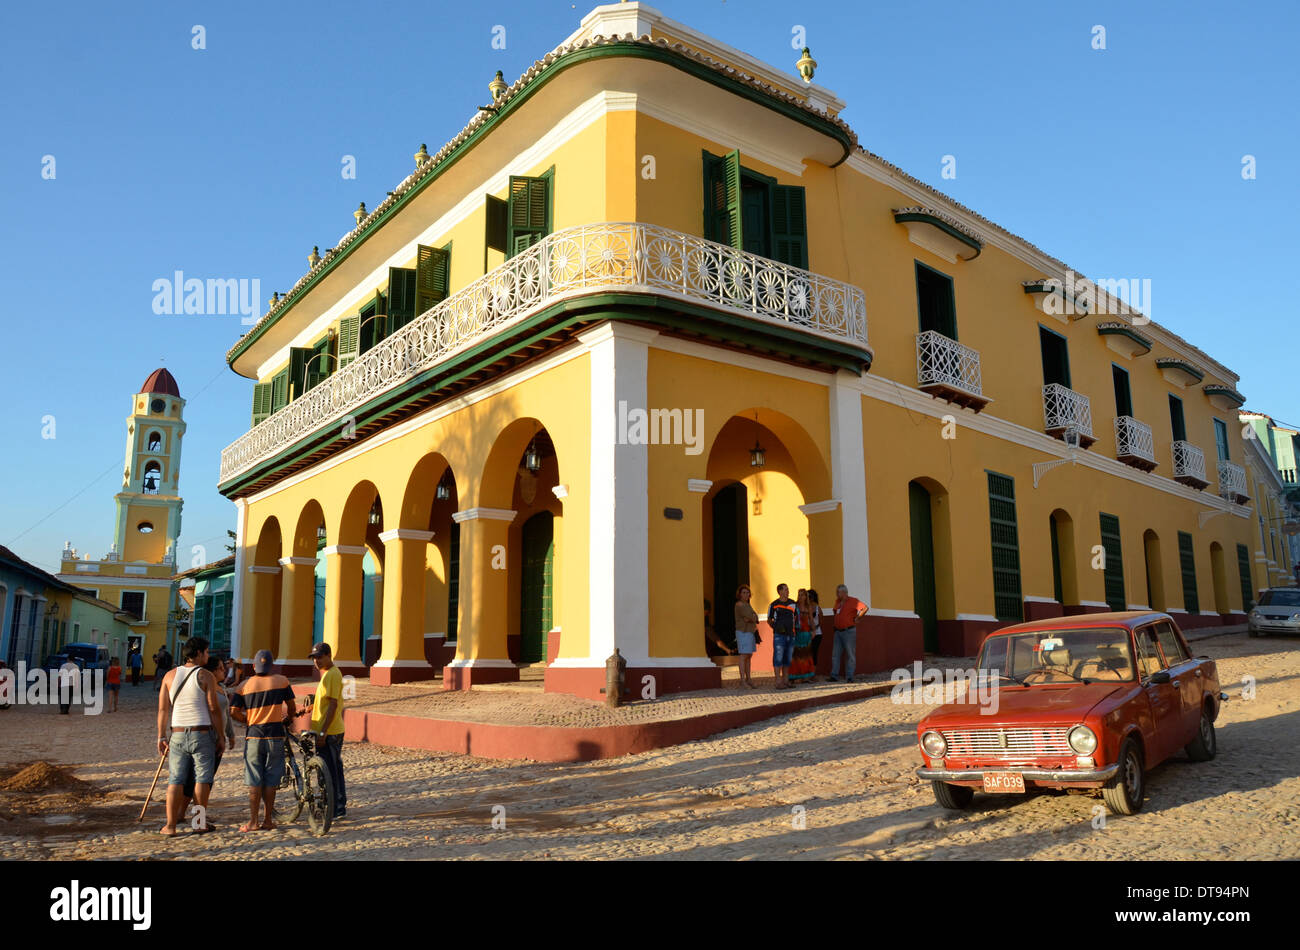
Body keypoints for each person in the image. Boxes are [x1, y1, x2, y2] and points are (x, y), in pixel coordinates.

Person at [156, 636, 225, 836]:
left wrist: (161, 736)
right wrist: (220, 736)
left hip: (177, 734)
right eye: (206, 652)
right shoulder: (205, 676)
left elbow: (162, 709)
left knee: (175, 780)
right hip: (201, 733)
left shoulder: (169, 676)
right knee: (202, 779)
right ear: (198, 653)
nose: (208, 655)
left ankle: (170, 826)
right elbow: (213, 708)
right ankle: (198, 823)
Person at [229, 649, 297, 832]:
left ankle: (253, 822)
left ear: (254, 666)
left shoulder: (244, 685)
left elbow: (233, 711)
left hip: (254, 736)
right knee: (271, 780)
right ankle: (268, 820)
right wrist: (289, 719)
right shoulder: (282, 681)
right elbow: (291, 706)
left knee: (254, 780)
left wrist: (248, 720)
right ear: (272, 665)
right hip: (275, 736)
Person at [182, 654, 235, 804]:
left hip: (219, 737)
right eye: (220, 669)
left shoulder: (222, 688)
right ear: (211, 671)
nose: (224, 671)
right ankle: (192, 817)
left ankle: (197, 814)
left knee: (206, 778)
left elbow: (226, 714)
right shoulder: (204, 688)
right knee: (199, 779)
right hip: (206, 736)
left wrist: (229, 735)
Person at [306, 642, 346, 819]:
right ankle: (333, 805)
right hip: (326, 730)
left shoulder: (332, 674)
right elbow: (325, 701)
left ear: (329, 656)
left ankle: (337, 807)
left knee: (332, 771)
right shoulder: (327, 675)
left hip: (330, 732)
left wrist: (323, 732)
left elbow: (333, 704)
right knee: (330, 769)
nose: (316, 661)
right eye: (314, 658)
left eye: (319, 657)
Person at [827, 584, 869, 682]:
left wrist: (858, 617)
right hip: (838, 632)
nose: (836, 594)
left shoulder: (853, 601)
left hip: (848, 631)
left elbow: (865, 608)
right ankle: (834, 676)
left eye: (838, 592)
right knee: (835, 655)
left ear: (844, 592)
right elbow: (835, 612)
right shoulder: (837, 602)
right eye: (836, 592)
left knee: (850, 655)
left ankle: (849, 677)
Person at [767, 584, 800, 689]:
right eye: (785, 589)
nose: (788, 591)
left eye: (788, 589)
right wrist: (776, 628)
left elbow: (796, 617)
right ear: (780, 591)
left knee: (787, 658)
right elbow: (769, 619)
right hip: (779, 636)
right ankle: (778, 681)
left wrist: (796, 630)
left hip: (791, 635)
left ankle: (786, 681)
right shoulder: (774, 605)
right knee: (778, 658)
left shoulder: (793, 603)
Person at [733, 585, 759, 689]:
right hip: (743, 632)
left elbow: (755, 617)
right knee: (743, 656)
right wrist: (751, 617)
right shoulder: (739, 605)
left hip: (750, 632)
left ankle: (749, 679)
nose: (746, 594)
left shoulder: (748, 605)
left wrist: (751, 617)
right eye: (743, 592)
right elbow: (750, 616)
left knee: (749, 656)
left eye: (747, 593)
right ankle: (742, 680)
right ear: (739, 594)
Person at [789, 589, 816, 683]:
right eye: (799, 595)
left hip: (806, 632)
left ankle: (806, 677)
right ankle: (794, 676)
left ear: (806, 597)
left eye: (802, 595)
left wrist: (814, 631)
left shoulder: (808, 607)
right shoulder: (795, 607)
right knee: (796, 655)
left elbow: (811, 620)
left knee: (806, 655)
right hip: (796, 633)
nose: (800, 597)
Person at [806, 588, 824, 672]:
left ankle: (813, 672)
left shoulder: (817, 609)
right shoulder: (805, 608)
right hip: (806, 633)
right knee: (806, 653)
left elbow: (821, 621)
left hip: (817, 633)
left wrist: (814, 628)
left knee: (814, 652)